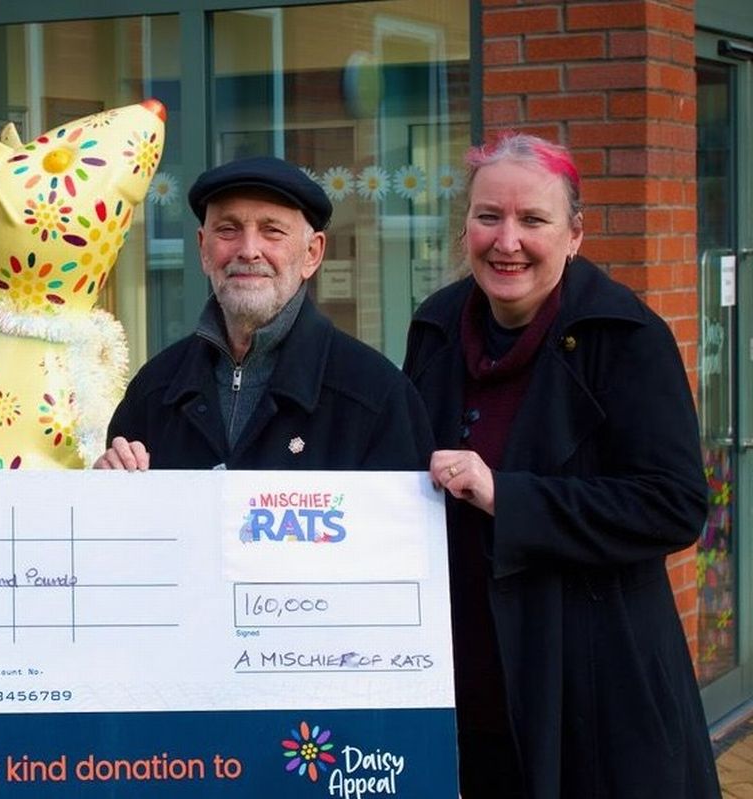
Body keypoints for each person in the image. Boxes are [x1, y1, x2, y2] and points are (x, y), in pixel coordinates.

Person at [403, 132, 720, 799]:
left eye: (533, 220)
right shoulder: (434, 324)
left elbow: (674, 504)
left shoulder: (626, 336)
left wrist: (507, 497)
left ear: (574, 235)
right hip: (466, 681)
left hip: (590, 690)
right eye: (488, 216)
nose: (506, 239)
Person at [95, 156, 432, 471]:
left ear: (312, 254)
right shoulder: (155, 391)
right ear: (203, 249)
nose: (249, 250)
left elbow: (401, 531)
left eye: (272, 231)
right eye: (228, 229)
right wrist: (108, 491)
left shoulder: (375, 396)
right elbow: (116, 525)